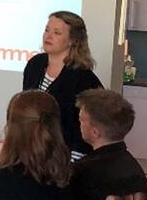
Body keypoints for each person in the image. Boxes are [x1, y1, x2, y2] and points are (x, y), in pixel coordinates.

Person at [22, 10, 102, 158]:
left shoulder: (84, 78)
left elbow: (89, 126)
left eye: (57, 32)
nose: (48, 36)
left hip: (65, 155)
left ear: (72, 40)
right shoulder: (35, 64)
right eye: (47, 30)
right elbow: (25, 107)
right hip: (33, 150)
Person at [71, 89, 147, 200]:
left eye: (81, 119)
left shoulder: (82, 172)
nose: (79, 123)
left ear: (94, 132)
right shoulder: (135, 170)